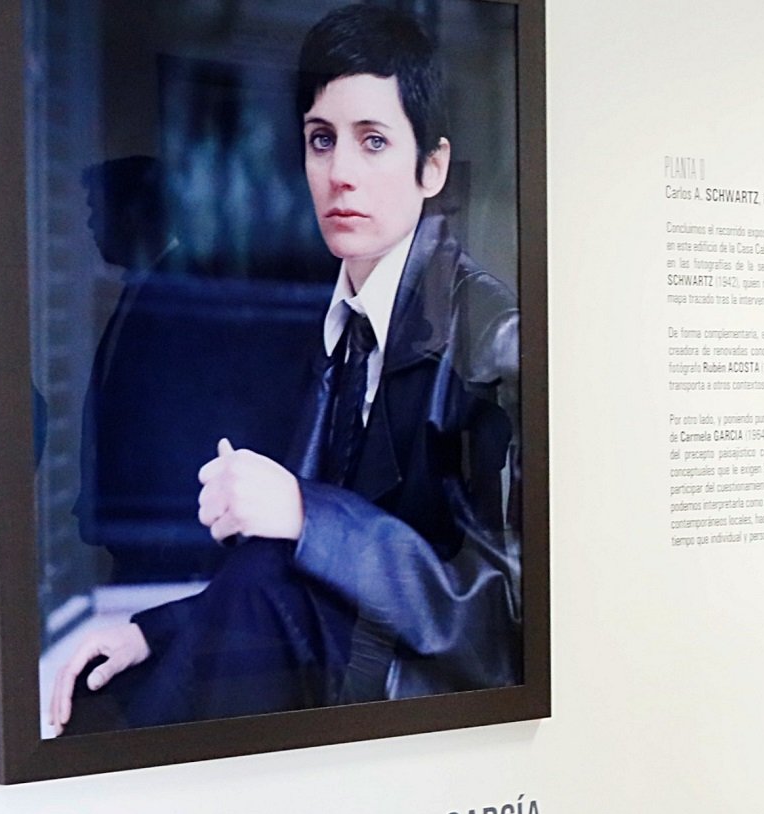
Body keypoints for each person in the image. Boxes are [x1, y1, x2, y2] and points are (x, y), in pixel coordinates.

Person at [49, 3, 519, 735]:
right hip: (330, 682)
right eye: (321, 141)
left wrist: (306, 512)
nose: (340, 175)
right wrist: (156, 631)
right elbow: (299, 572)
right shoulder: (339, 324)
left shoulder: (492, 339)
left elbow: (508, 621)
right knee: (104, 689)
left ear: (433, 167)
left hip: (419, 722)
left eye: (373, 142)